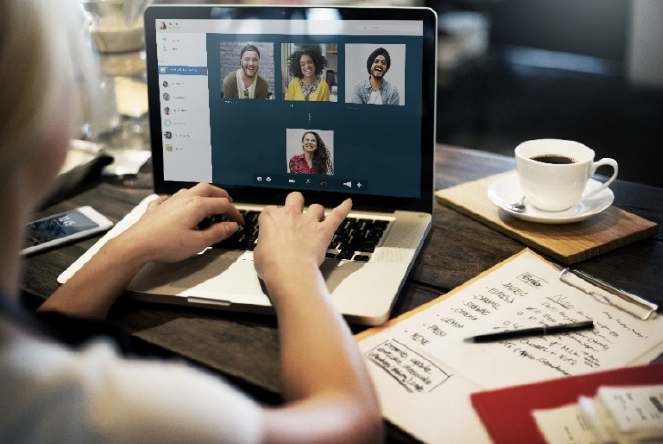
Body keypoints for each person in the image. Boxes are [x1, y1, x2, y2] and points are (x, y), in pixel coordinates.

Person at [0, 1, 383, 443]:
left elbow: (46, 336)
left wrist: (127, 247)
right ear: (47, 118)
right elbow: (352, 426)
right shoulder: (116, 412)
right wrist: (295, 271)